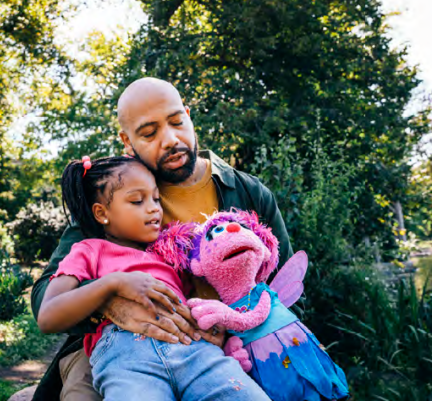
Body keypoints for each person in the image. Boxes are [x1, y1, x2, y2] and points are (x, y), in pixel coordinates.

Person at [31, 77, 293, 400]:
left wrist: (236, 330)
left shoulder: (248, 192)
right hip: (118, 349)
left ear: (188, 115)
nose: (170, 139)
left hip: (214, 352)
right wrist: (110, 299)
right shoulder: (119, 194)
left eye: (176, 121)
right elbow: (45, 296)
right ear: (127, 142)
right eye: (149, 133)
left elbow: (288, 287)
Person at [38, 155, 271, 401]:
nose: (154, 208)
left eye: (157, 199)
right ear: (101, 213)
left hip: (192, 350)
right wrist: (112, 284)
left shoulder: (170, 252)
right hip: (126, 357)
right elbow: (48, 317)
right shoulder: (88, 250)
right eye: (137, 201)